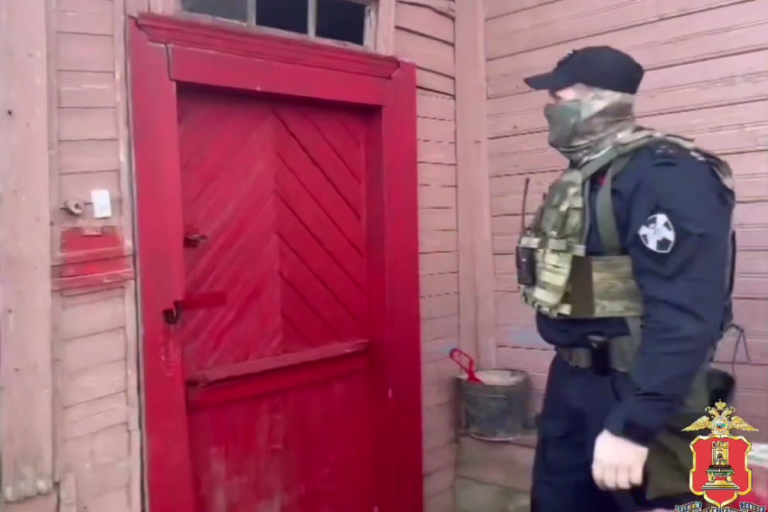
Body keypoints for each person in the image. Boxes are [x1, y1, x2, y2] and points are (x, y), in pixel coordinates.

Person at [515, 46, 737, 511]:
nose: (550, 110)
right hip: (572, 384)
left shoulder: (666, 174)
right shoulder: (586, 176)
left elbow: (686, 312)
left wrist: (634, 424)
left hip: (635, 388)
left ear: (600, 100)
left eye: (559, 98)